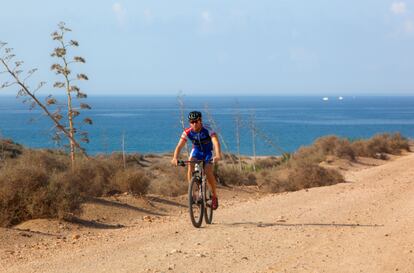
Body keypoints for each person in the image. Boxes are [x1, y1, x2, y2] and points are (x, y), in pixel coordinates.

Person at [171, 111, 221, 210]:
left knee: (207, 170)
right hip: (197, 151)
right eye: (192, 122)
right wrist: (175, 158)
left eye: (196, 121)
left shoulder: (207, 129)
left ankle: (214, 196)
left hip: (207, 152)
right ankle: (192, 192)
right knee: (190, 164)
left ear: (200, 121)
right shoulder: (187, 132)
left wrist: (218, 155)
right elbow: (179, 146)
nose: (194, 124)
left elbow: (215, 142)